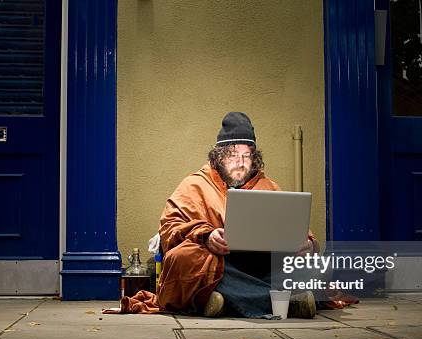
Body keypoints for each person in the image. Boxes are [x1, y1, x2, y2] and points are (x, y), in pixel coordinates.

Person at [116, 112, 356, 317]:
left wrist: (308, 245)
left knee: (319, 266)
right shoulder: (194, 184)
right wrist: (207, 236)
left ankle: (223, 301)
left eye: (247, 155)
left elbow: (297, 228)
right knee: (183, 259)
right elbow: (169, 229)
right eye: (232, 155)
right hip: (218, 264)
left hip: (261, 265)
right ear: (218, 157)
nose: (240, 163)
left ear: (254, 157)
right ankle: (285, 303)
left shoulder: (268, 186)